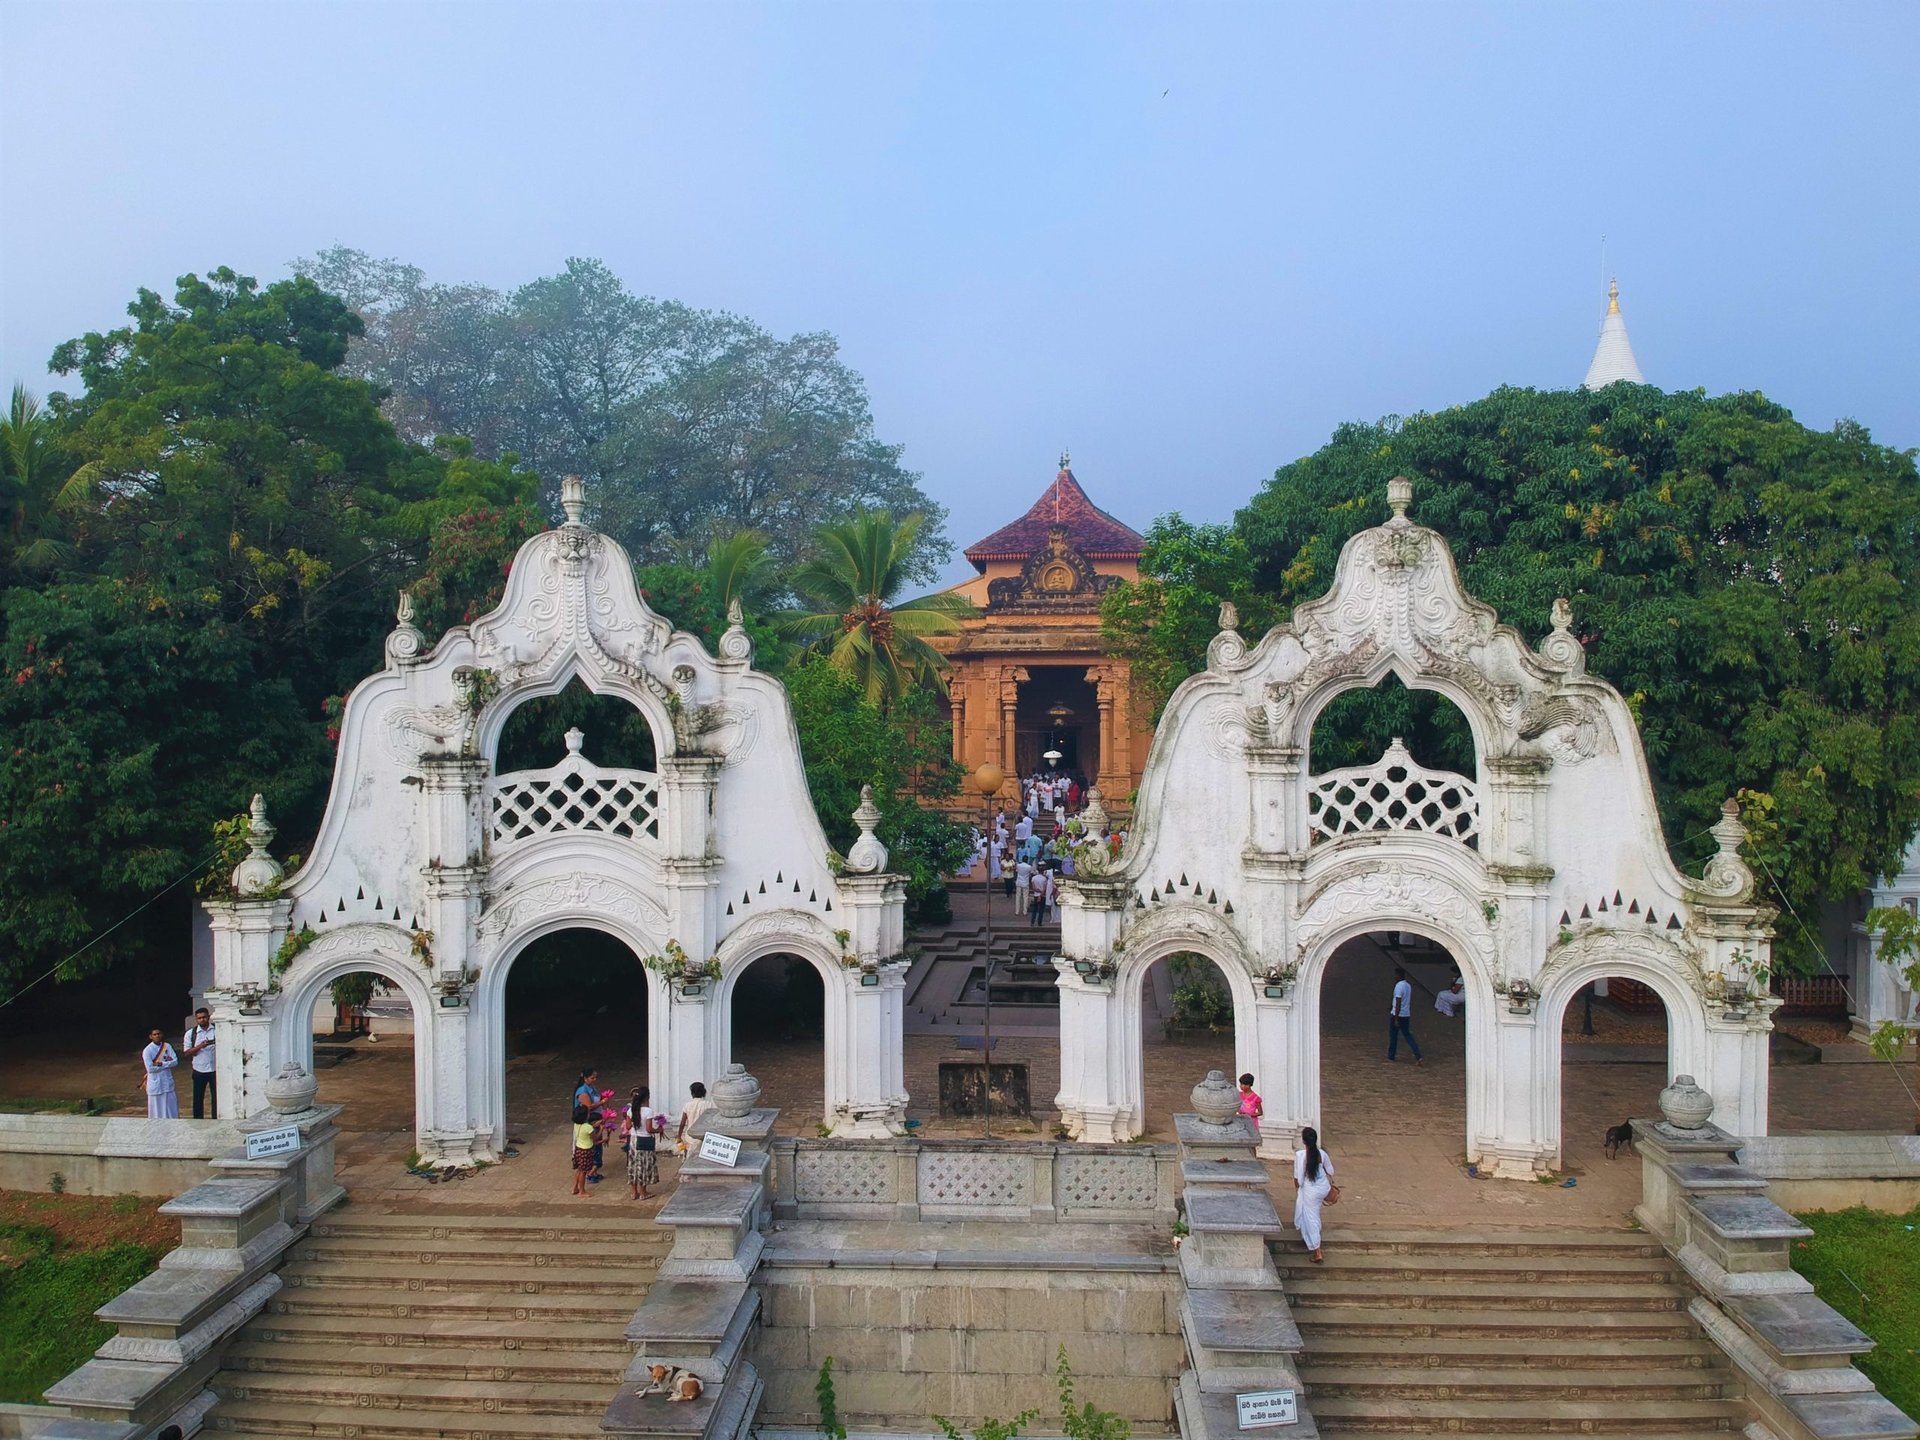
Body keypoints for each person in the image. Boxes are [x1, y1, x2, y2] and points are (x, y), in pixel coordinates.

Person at [1291, 1126, 1336, 1262]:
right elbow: (1331, 1171)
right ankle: (1309, 1237)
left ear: (1303, 1141)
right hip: (1323, 1188)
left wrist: (1299, 1190)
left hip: (1310, 1191)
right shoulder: (1322, 1154)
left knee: (1311, 1218)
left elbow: (1297, 1179)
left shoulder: (1300, 1156)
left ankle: (1317, 1251)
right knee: (1313, 1214)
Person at [625, 1085, 661, 1200]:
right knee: (644, 1165)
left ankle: (633, 1192)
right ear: (647, 1098)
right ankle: (643, 1192)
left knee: (633, 1165)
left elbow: (628, 1126)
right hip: (644, 1140)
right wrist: (658, 1130)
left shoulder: (631, 1110)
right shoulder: (648, 1111)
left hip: (633, 1140)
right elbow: (649, 1129)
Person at [183, 1007, 217, 1119]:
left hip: (215, 1069)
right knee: (198, 1098)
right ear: (196, 1019)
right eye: (199, 1018)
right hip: (199, 1070)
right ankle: (198, 1121)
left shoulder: (217, 1030)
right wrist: (201, 1046)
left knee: (216, 1098)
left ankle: (215, 1119)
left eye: (204, 1017)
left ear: (208, 1017)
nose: (202, 1020)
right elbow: (187, 1053)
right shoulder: (191, 1034)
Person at [141, 1028, 179, 1119]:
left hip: (167, 1081)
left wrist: (161, 1064)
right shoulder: (147, 1050)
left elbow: (175, 1062)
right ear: (151, 1037)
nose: (157, 1036)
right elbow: (150, 1069)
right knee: (156, 1109)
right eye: (154, 1034)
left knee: (171, 1107)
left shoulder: (167, 1046)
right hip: (155, 1082)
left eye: (158, 1034)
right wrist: (166, 1065)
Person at [1388, 966, 1423, 1063]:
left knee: (1393, 1035)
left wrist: (1396, 1017)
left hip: (1398, 1014)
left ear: (1398, 975)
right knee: (1407, 1035)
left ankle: (1391, 1055)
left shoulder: (1399, 986)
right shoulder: (1408, 986)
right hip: (1406, 1014)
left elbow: (1398, 1001)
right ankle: (1417, 1054)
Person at [676, 1081, 713, 1153]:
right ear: (704, 1092)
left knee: (689, 1158)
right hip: (703, 1137)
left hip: (689, 1136)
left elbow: (682, 1122)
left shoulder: (687, 1105)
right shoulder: (709, 1105)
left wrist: (679, 1136)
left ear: (692, 1093)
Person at [570, 1104, 596, 1195]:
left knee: (579, 1169)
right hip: (586, 1150)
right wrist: (601, 1129)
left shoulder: (576, 1124)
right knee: (584, 1172)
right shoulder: (588, 1127)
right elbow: (594, 1137)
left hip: (578, 1148)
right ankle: (582, 1191)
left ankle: (575, 1187)